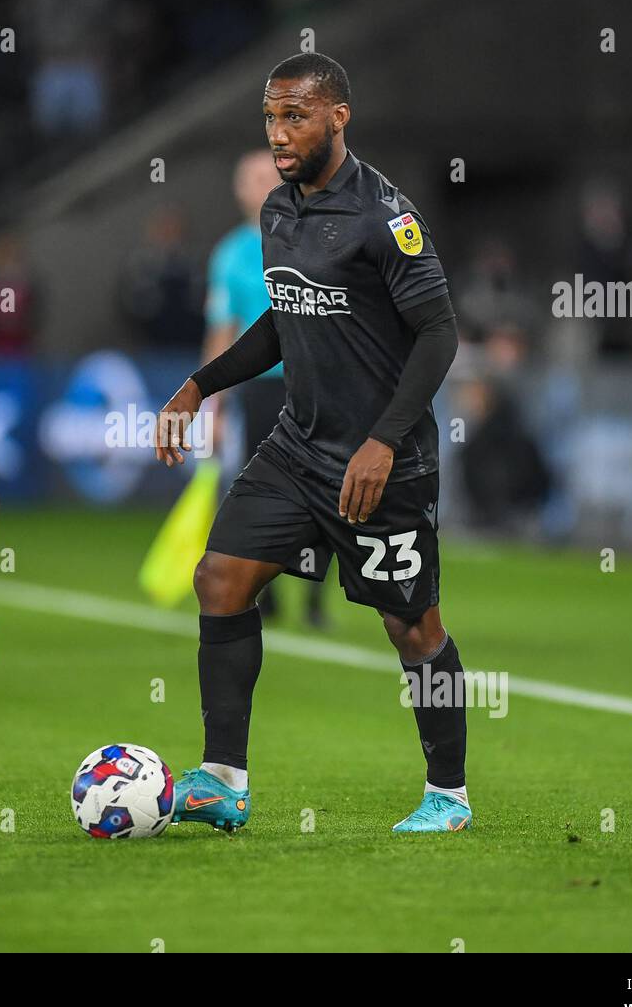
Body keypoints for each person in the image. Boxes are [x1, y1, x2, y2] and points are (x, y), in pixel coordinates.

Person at [155, 53, 471, 834]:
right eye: (269, 116)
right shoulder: (278, 212)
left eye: (295, 115)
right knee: (220, 579)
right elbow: (282, 319)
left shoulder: (383, 216)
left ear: (338, 117)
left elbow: (439, 332)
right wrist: (202, 384)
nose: (278, 132)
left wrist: (384, 441)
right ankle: (224, 779)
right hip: (299, 448)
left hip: (382, 464)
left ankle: (450, 794)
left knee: (413, 627)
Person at [204, 148, 328, 626]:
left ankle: (315, 600)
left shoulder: (313, 239)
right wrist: (209, 400)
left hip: (313, 384)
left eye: (262, 177)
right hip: (258, 388)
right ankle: (268, 592)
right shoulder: (230, 254)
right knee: (263, 494)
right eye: (246, 178)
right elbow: (220, 331)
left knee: (324, 489)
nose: (253, 187)